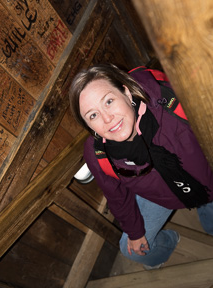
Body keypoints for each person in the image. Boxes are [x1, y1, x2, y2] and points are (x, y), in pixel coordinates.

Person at [69, 63, 213, 270]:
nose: (107, 119)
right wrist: (135, 233)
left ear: (126, 93)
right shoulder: (98, 153)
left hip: (206, 177)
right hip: (159, 195)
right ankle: (168, 244)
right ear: (88, 126)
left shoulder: (172, 102)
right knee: (132, 250)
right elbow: (116, 196)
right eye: (93, 115)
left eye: (109, 101)